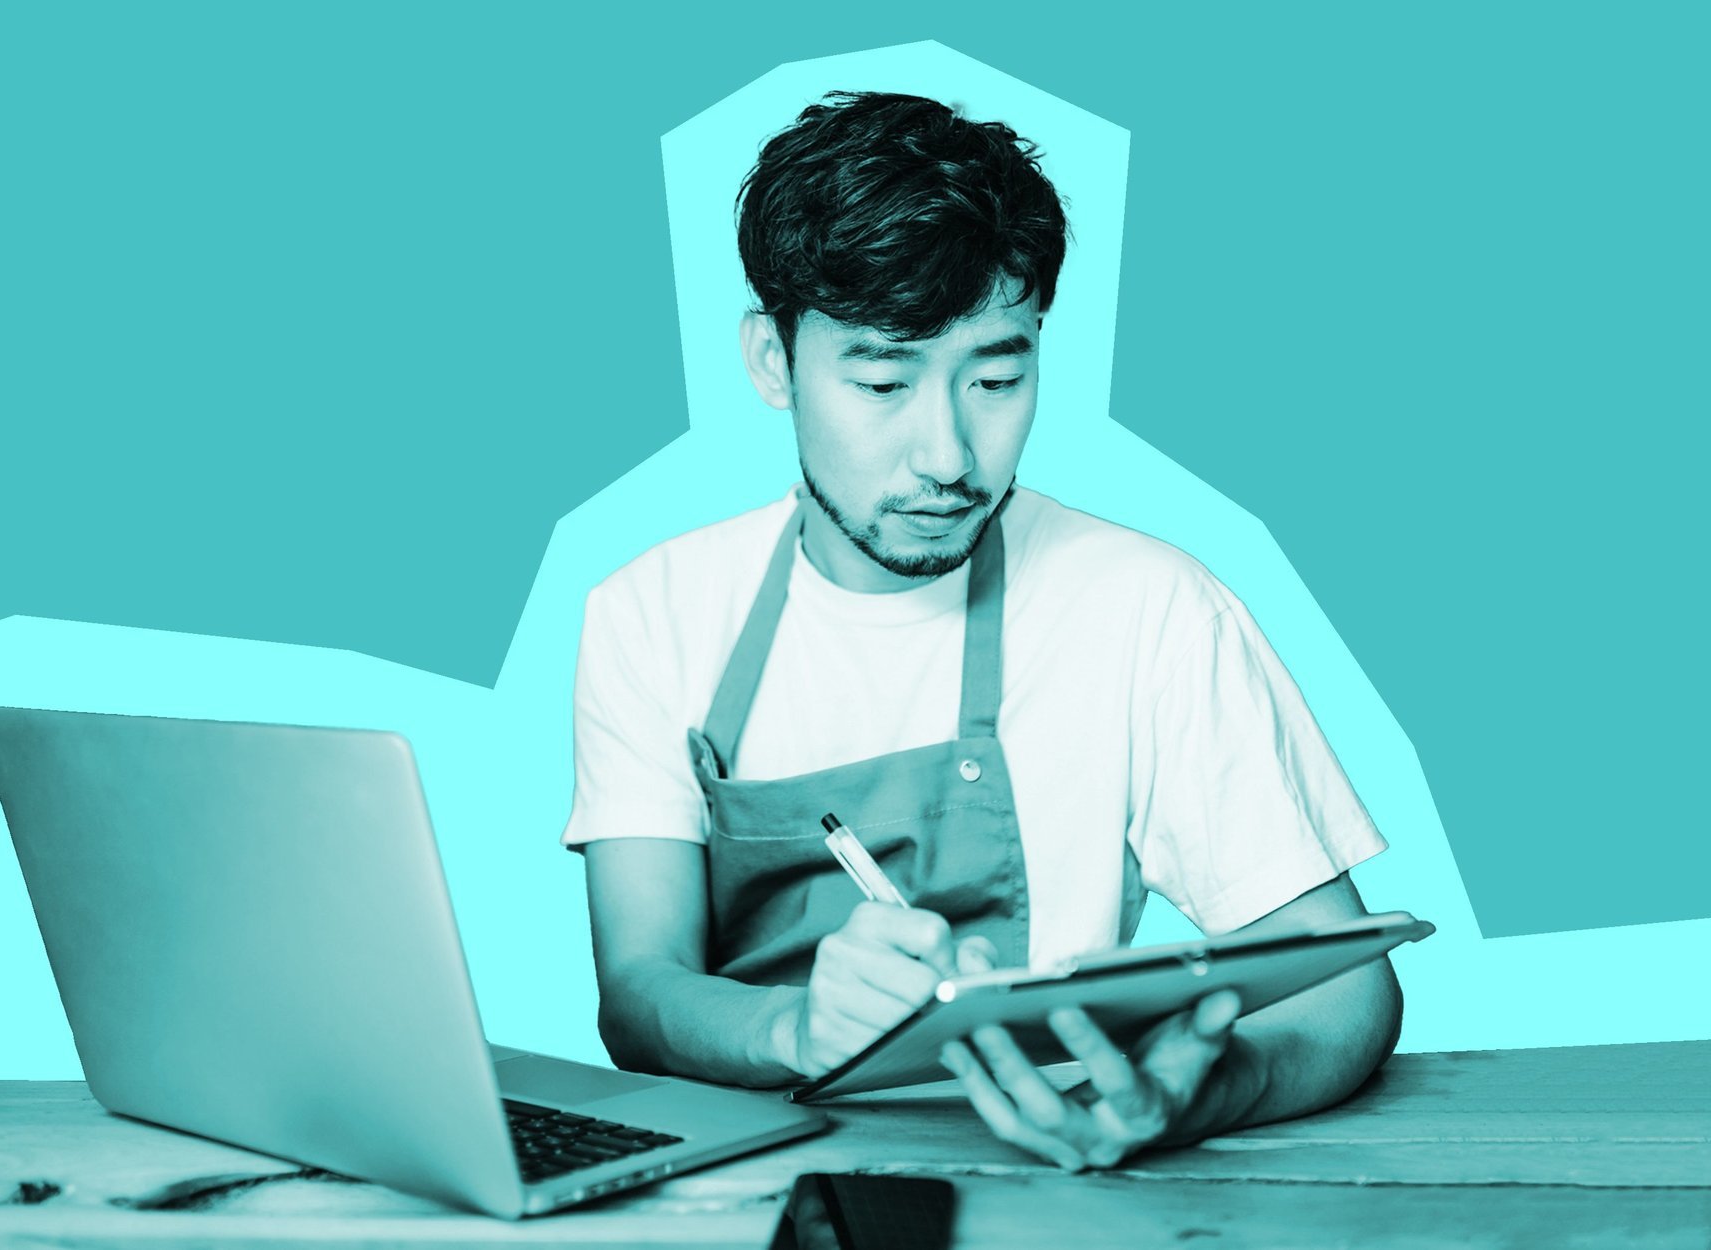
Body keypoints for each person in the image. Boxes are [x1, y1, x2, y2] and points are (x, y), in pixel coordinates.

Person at [561, 91, 1402, 1171]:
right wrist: (794, 1029)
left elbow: (1343, 980)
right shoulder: (650, 614)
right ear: (772, 362)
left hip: (1058, 1178)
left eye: (997, 377)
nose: (949, 453)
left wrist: (1189, 1094)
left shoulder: (1147, 607)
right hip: (735, 1183)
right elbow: (637, 994)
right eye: (880, 379)